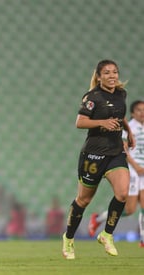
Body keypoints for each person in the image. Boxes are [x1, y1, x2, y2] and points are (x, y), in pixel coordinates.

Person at [62, 59, 135, 260]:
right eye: (107, 73)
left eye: (115, 72)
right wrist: (102, 122)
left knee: (122, 194)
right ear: (99, 76)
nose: (112, 76)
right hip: (93, 155)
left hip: (115, 152)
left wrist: (129, 132)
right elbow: (80, 122)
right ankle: (68, 238)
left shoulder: (121, 94)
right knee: (83, 200)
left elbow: (119, 117)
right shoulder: (92, 97)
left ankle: (107, 234)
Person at [88, 100, 144, 247]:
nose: (142, 112)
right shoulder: (129, 128)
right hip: (133, 170)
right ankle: (99, 219)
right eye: (139, 110)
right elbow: (124, 147)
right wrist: (135, 165)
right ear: (132, 113)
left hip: (143, 171)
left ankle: (143, 239)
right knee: (130, 209)